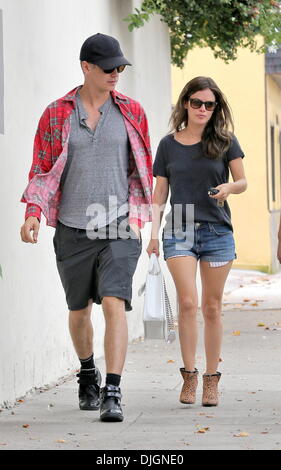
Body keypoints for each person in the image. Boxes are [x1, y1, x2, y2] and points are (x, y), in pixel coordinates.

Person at [20, 33, 152, 422]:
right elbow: (42, 169)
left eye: (121, 68)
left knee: (114, 303)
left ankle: (113, 390)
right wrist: (32, 211)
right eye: (109, 68)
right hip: (72, 227)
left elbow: (140, 166)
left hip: (119, 224)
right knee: (79, 311)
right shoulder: (56, 113)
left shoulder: (132, 111)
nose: (116, 74)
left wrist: (138, 216)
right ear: (86, 68)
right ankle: (88, 373)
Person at [147, 76, 247, 407]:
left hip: (217, 232)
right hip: (178, 230)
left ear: (215, 107)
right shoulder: (168, 145)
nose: (203, 109)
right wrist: (152, 235)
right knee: (188, 303)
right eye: (197, 103)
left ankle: (211, 380)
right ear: (185, 104)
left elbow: (242, 181)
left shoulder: (225, 141)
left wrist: (229, 189)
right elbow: (160, 192)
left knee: (212, 307)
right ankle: (189, 375)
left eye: (209, 104)